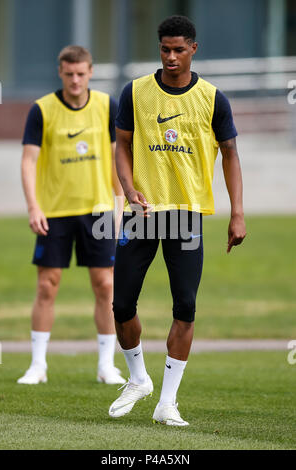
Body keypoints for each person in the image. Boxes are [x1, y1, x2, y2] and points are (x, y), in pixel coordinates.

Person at [108, 15, 246, 425]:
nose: (171, 57)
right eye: (165, 49)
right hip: (144, 213)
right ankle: (138, 379)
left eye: (179, 49)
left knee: (185, 306)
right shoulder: (134, 93)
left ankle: (168, 402)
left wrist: (237, 212)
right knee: (121, 305)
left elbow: (231, 154)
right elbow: (122, 145)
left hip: (186, 214)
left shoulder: (213, 98)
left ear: (193, 49)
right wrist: (129, 188)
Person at [18, 45, 125, 385]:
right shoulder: (42, 110)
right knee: (47, 286)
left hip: (98, 211)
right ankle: (38, 365)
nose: (76, 79)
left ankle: (106, 365)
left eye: (81, 73)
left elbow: (116, 158)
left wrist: (120, 205)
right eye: (69, 73)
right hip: (56, 212)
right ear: (60, 72)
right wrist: (34, 206)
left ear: (90, 72)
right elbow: (28, 161)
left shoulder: (108, 105)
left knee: (106, 285)